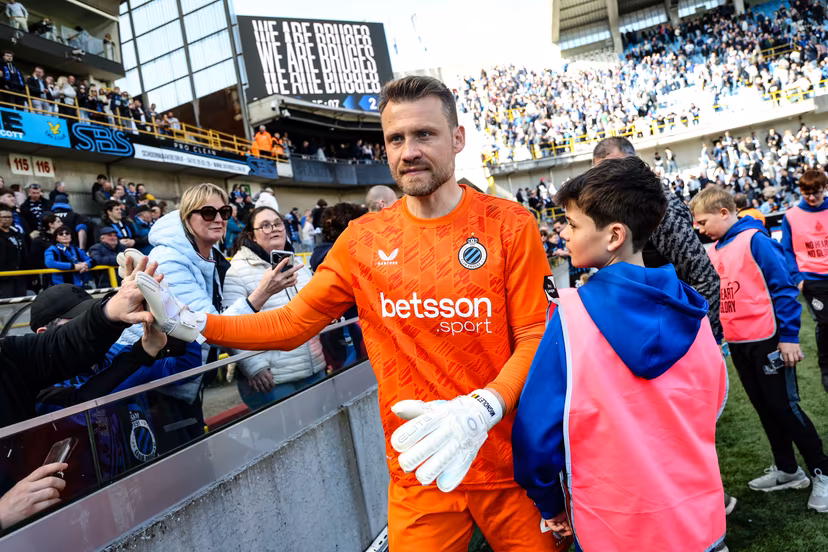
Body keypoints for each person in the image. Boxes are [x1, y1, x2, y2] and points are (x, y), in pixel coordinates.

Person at [141, 76, 564, 552]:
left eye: (425, 134)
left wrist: (483, 407)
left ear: (457, 138)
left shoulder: (510, 225)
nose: (409, 151)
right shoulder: (363, 240)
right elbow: (290, 323)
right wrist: (194, 323)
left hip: (510, 464)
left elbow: (536, 336)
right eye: (396, 139)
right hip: (418, 469)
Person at [514, 157, 727, 551]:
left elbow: (535, 436)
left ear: (614, 236)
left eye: (574, 225)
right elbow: (711, 405)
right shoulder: (695, 313)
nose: (564, 232)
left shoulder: (569, 319)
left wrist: (550, 504)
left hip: (612, 528)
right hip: (698, 521)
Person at [116, 183, 297, 441]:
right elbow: (208, 327)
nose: (219, 219)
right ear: (188, 217)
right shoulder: (169, 259)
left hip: (182, 381)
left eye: (224, 212)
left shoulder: (207, 254)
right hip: (160, 387)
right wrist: (260, 294)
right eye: (208, 213)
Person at [692, 186, 828, 513]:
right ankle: (788, 470)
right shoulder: (715, 248)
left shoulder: (756, 240)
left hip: (770, 341)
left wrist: (790, 337)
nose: (699, 229)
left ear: (725, 213)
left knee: (785, 408)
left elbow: (782, 288)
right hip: (740, 344)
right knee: (765, 408)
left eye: (702, 221)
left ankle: (823, 473)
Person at [0, 258, 160, 529]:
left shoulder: (10, 357)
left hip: (102, 498)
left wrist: (111, 312)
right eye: (76, 319)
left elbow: (65, 345)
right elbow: (78, 401)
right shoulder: (42, 384)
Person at [592, 137, 722, 341]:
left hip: (679, 334)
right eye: (602, 173)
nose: (610, 177)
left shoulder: (657, 206)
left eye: (615, 167)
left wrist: (702, 339)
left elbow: (705, 277)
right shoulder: (624, 206)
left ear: (635, 161)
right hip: (652, 331)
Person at [224, 206, 326, 409]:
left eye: (278, 223)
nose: (274, 229)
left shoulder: (299, 265)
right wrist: (254, 366)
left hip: (314, 368)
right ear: (252, 236)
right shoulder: (236, 271)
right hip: (274, 379)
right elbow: (230, 324)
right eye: (265, 226)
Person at [781, 169, 828, 391]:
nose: (811, 197)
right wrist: (798, 279)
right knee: (825, 324)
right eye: (806, 193)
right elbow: (787, 250)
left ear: (825, 189)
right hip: (812, 280)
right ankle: (826, 370)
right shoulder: (790, 216)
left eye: (816, 193)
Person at [0, 204, 26, 298]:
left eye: (10, 217)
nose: (8, 219)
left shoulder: (16, 233)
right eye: (4, 217)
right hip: (3, 277)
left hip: (19, 275)